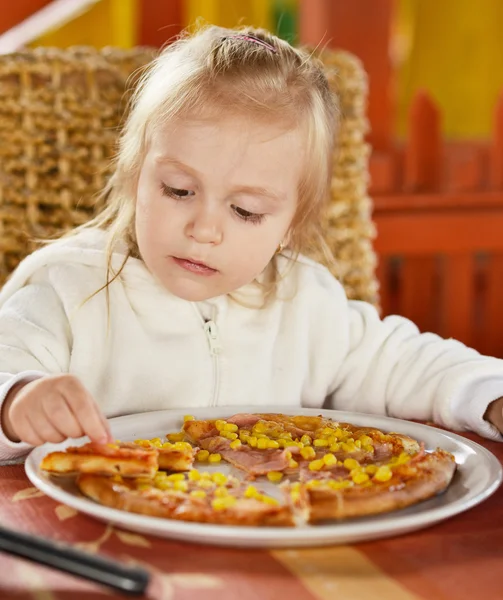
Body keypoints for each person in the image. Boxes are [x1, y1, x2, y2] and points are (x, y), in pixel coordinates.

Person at [0, 25, 502, 462]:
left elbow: (404, 363)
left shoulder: (305, 304)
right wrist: (17, 403)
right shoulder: (68, 291)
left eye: (246, 211)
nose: (204, 229)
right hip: (107, 544)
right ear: (135, 179)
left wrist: (490, 395)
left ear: (288, 225)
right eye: (178, 190)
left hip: (275, 546)